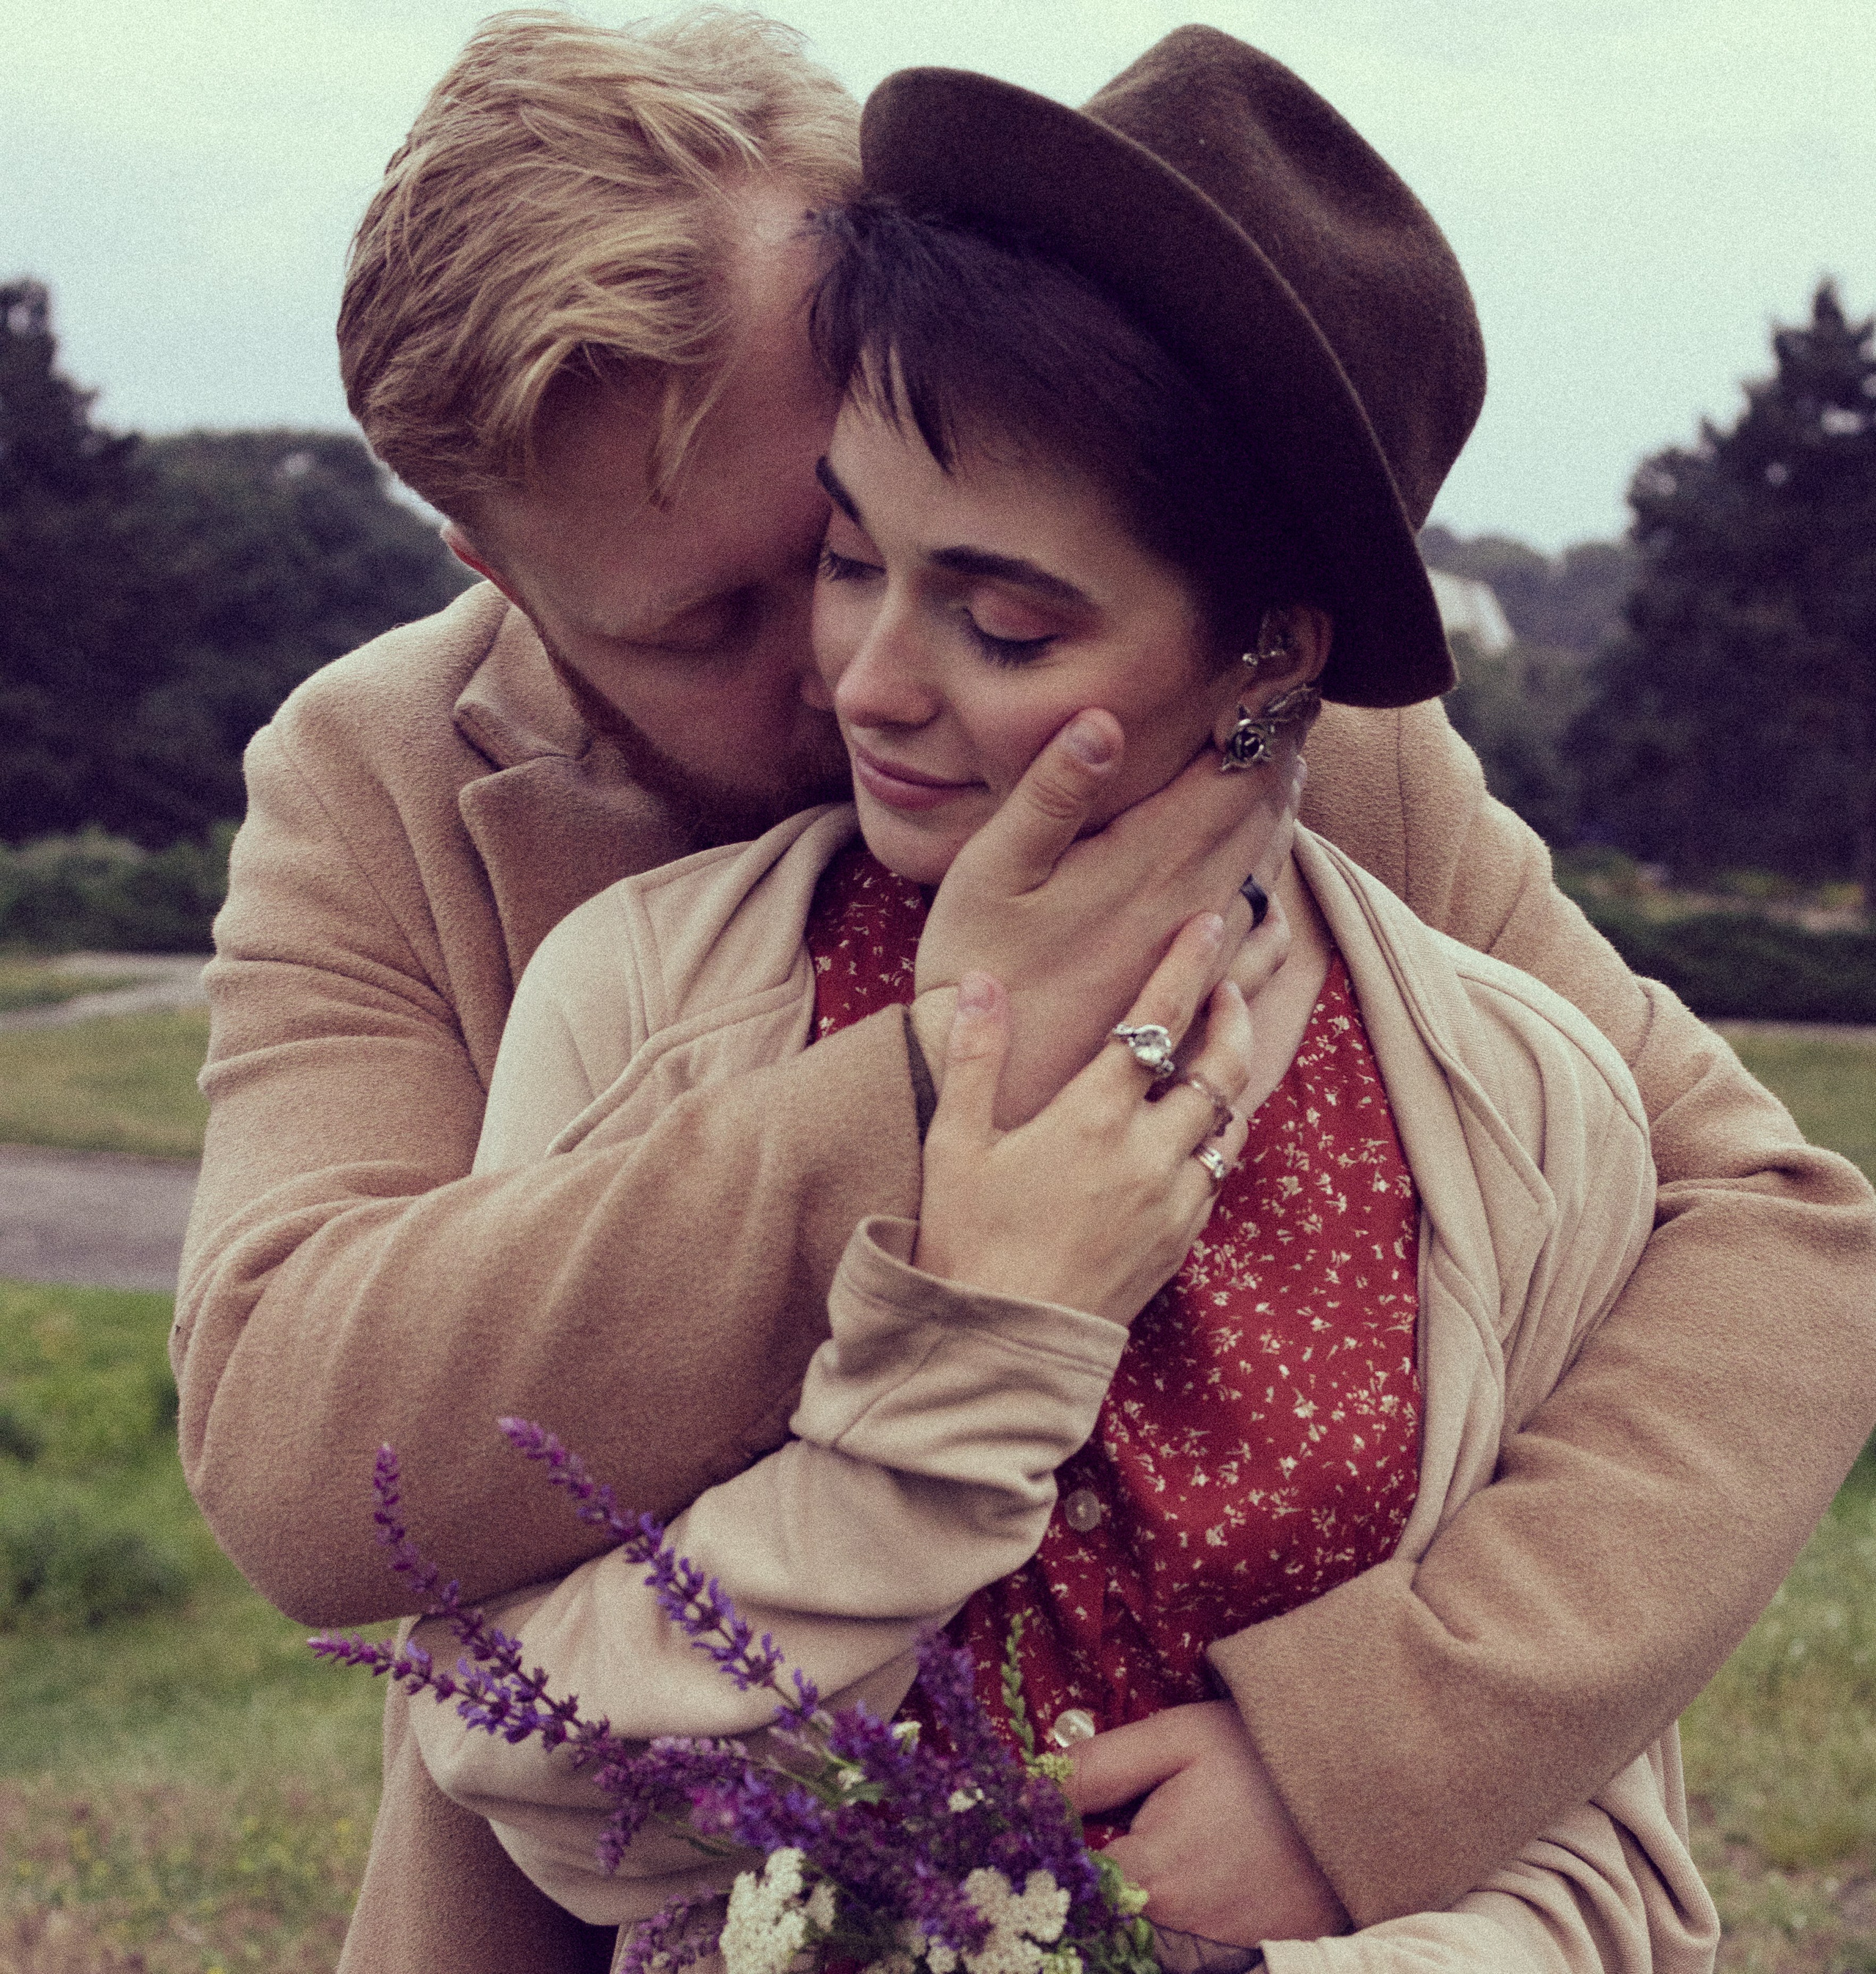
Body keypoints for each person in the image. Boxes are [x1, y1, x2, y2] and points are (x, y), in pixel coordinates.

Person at [163, 12, 1875, 1974]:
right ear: (499, 572)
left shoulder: (1258, 728)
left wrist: (1360, 1757)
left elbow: (1772, 1228)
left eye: (840, 531)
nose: (856, 676)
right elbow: (295, 1447)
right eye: (711, 621)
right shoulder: (377, 777)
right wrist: (933, 1094)